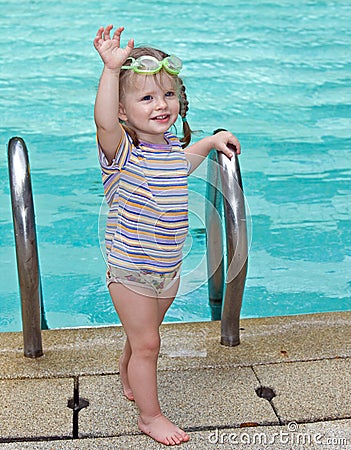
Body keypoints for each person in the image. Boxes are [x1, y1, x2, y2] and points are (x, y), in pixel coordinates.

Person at [93, 24, 241, 446]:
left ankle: (127, 372)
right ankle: (149, 415)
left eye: (168, 94)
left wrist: (211, 141)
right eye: (146, 97)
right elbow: (102, 121)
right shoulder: (122, 152)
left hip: (167, 267)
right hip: (132, 270)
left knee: (143, 336)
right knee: (150, 344)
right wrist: (110, 71)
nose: (161, 104)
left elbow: (183, 164)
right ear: (123, 111)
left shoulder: (170, 146)